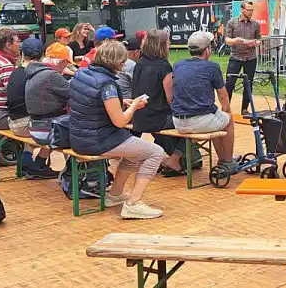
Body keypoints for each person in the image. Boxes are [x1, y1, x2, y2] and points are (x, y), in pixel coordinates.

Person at [68, 41, 166, 219]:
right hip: (99, 139)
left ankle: (115, 195)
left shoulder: (82, 74)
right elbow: (120, 121)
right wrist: (135, 105)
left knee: (137, 152)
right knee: (155, 152)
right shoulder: (107, 85)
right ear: (117, 63)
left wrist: (123, 102)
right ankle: (133, 204)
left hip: (78, 135)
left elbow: (92, 102)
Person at [131, 29, 198, 176]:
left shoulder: (140, 62)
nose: (169, 45)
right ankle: (174, 159)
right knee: (194, 122)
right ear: (161, 45)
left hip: (138, 116)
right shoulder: (163, 66)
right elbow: (170, 98)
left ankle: (157, 156)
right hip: (157, 117)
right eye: (168, 43)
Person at [172, 31, 239, 173]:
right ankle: (227, 161)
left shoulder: (178, 65)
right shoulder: (212, 67)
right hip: (200, 121)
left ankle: (223, 159)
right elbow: (223, 96)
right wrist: (227, 111)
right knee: (227, 120)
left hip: (178, 121)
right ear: (207, 50)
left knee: (216, 118)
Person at [5, 38, 58, 179]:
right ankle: (38, 166)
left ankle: (27, 163)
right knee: (59, 129)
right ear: (42, 55)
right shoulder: (37, 74)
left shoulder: (16, 72)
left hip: (12, 121)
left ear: (22, 54)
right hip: (24, 125)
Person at [25, 46, 70, 146]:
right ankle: (74, 162)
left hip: (35, 128)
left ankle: (39, 161)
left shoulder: (35, 72)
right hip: (50, 131)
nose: (67, 66)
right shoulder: (52, 75)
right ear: (62, 62)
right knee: (90, 135)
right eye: (68, 62)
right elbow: (73, 93)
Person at [224, 1, 262, 116]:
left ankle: (245, 109)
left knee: (248, 84)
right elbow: (227, 40)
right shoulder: (232, 23)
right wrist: (235, 40)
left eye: (252, 10)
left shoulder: (255, 24)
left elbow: (259, 39)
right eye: (248, 10)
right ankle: (225, 109)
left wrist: (255, 43)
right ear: (242, 10)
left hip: (250, 57)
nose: (250, 12)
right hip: (236, 56)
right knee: (230, 83)